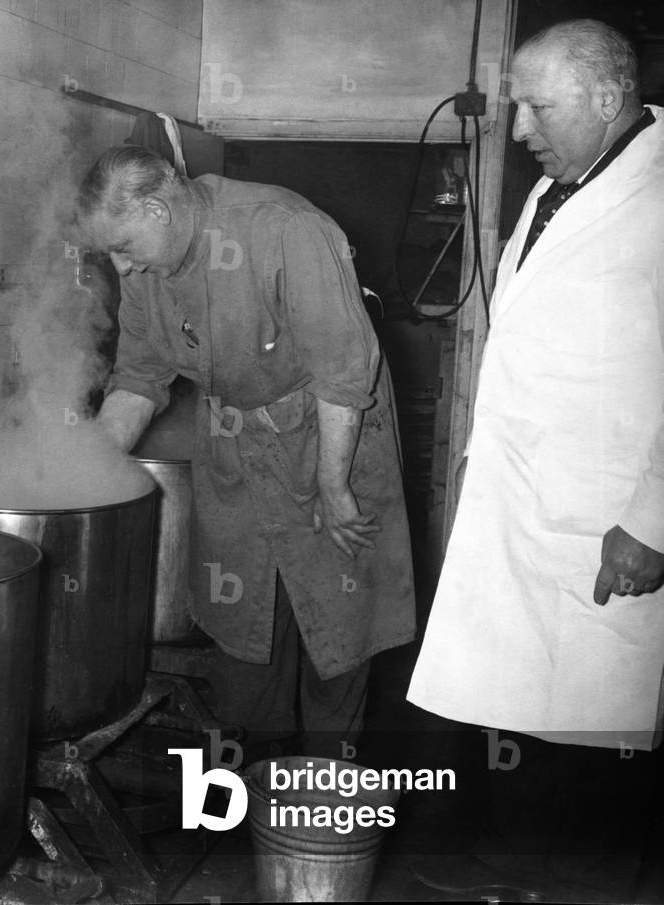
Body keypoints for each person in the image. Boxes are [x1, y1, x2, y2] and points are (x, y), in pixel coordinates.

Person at [408, 19, 664, 900]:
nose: (518, 131)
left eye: (536, 107)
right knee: (518, 695)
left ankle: (591, 879)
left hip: (607, 510)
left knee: (596, 716)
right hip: (523, 487)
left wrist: (652, 514)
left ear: (607, 96)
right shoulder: (563, 182)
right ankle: (517, 863)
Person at [76, 145, 416, 761]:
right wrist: (82, 480)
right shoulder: (149, 277)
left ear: (157, 209)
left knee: (337, 613)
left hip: (331, 430)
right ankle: (253, 773)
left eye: (123, 248)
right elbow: (138, 379)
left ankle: (325, 774)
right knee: (244, 613)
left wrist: (334, 487)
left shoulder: (283, 227)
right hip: (235, 442)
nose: (121, 268)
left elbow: (342, 374)